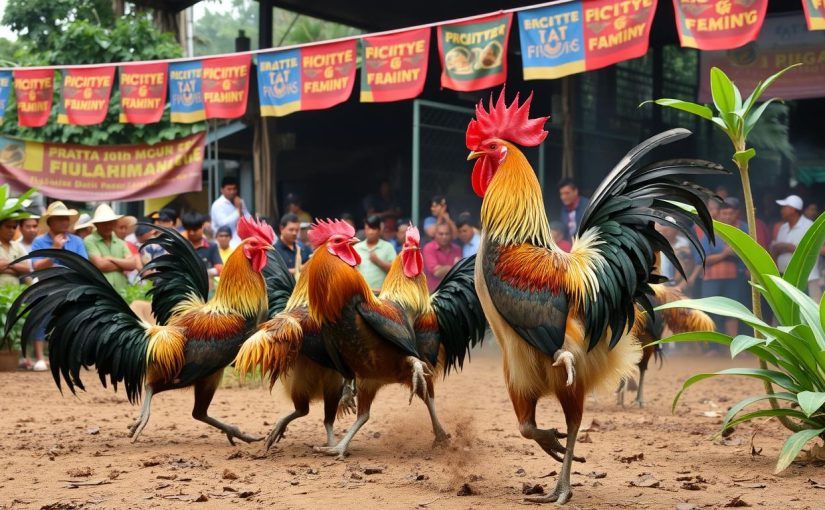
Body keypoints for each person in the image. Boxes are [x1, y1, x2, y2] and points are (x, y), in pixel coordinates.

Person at [30, 201, 89, 371]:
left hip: (71, 286)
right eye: (60, 219)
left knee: (70, 320)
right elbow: (36, 266)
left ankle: (66, 358)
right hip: (46, 287)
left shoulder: (76, 240)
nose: (64, 222)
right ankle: (40, 359)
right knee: (42, 320)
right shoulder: (39, 242)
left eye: (66, 218)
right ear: (50, 222)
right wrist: (55, 250)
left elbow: (83, 263)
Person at [700, 200, 745, 341]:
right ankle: (712, 347)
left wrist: (719, 256)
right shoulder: (710, 230)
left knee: (733, 312)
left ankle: (734, 344)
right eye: (724, 213)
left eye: (730, 213)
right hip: (711, 278)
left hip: (734, 278)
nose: (727, 216)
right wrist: (725, 254)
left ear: (736, 214)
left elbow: (746, 255)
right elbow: (702, 259)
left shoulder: (742, 230)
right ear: (718, 214)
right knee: (711, 312)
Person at [771, 195, 821, 299]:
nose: (782, 210)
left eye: (784, 207)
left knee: (809, 309)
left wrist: (786, 246)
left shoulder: (808, 226)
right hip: (785, 276)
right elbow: (777, 250)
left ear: (793, 209)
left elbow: (809, 249)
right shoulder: (783, 228)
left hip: (806, 277)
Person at [84, 204, 136, 296]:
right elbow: (101, 265)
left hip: (122, 291)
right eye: (103, 223)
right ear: (96, 224)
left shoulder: (120, 242)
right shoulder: (89, 240)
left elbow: (132, 264)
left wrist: (111, 259)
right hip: (101, 292)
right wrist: (123, 265)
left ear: (114, 223)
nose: (107, 226)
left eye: (110, 222)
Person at [354, 215, 396, 292]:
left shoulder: (388, 247)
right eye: (368, 228)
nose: (370, 232)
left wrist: (378, 262)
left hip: (381, 294)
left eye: (373, 228)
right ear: (364, 230)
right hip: (361, 293)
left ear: (380, 230)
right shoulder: (356, 247)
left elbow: (395, 270)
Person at [182, 212, 223, 280]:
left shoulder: (212, 246)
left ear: (202, 227)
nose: (192, 233)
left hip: (206, 286)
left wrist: (204, 273)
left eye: (195, 229)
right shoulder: (181, 247)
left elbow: (220, 268)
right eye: (189, 230)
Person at [210, 176, 249, 248]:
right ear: (222, 190)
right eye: (229, 189)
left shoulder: (240, 202)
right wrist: (238, 210)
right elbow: (223, 225)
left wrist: (241, 208)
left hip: (240, 243)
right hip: (224, 246)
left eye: (234, 189)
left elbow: (249, 219)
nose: (232, 192)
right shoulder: (218, 204)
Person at [422, 222, 462, 292]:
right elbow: (437, 273)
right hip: (434, 292)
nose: (444, 237)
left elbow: (461, 272)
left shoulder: (457, 249)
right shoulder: (429, 248)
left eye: (447, 234)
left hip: (453, 291)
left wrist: (442, 269)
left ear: (451, 235)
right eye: (441, 234)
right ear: (435, 235)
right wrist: (455, 267)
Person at [0, 217, 29, 286]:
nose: (11, 230)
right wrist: (17, 270)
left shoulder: (18, 246)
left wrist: (8, 263)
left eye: (14, 227)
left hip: (15, 292)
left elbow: (27, 269)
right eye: (8, 227)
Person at [115, 215, 142, 284]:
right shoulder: (129, 243)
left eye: (125, 227)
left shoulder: (130, 244)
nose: (124, 231)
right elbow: (139, 266)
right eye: (121, 227)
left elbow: (137, 265)